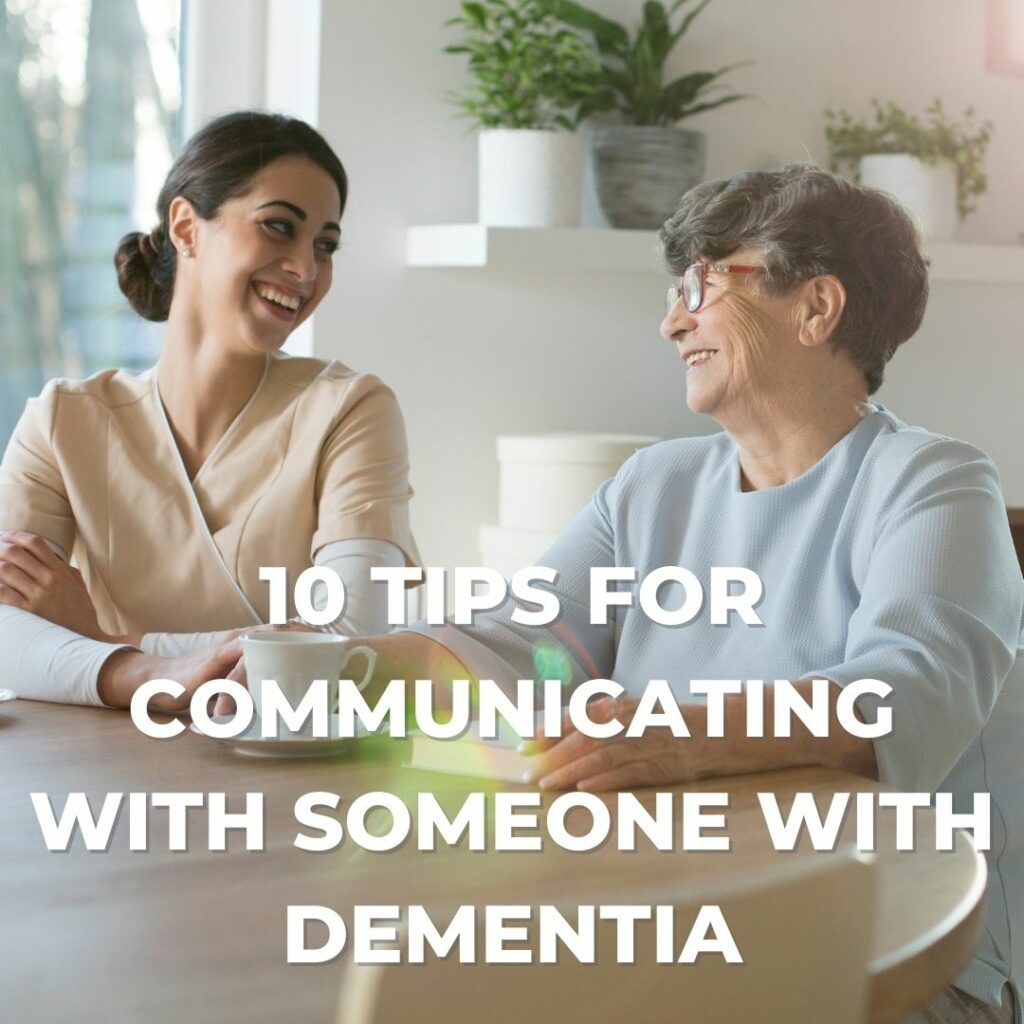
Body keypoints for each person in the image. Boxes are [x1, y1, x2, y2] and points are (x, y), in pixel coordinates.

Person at [353, 166, 1022, 1023]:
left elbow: (903, 696)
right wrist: (315, 667)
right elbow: (512, 644)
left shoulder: (934, 483)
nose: (673, 321)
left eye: (703, 285)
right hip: (679, 914)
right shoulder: (652, 486)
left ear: (817, 308)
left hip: (899, 953)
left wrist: (675, 738)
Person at [0, 110, 419, 710]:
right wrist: (151, 674)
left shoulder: (350, 410)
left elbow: (347, 645)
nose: (306, 270)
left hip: (292, 779)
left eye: (325, 245)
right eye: (279, 227)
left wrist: (104, 641)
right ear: (187, 227)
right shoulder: (63, 421)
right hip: (101, 776)